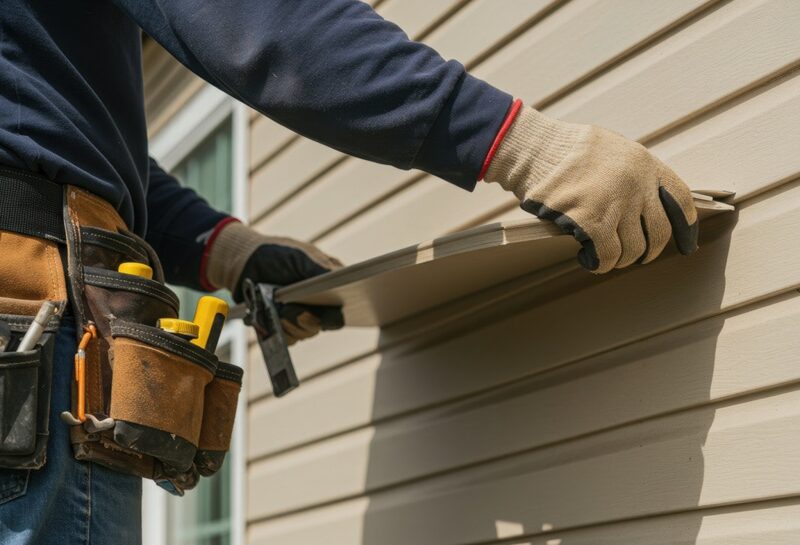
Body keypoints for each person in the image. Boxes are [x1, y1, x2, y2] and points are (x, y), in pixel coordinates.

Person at [0, 1, 698, 544]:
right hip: (28, 320)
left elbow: (58, 130)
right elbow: (260, 25)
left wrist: (228, 249)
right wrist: (522, 145)